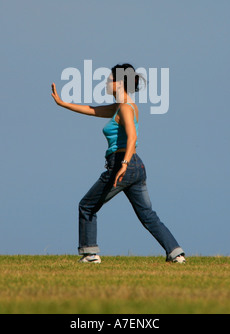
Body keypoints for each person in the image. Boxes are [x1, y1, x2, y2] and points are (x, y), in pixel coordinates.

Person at [51, 63, 185, 264]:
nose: (106, 83)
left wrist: (123, 164)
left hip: (123, 164)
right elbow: (92, 109)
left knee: (87, 206)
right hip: (135, 167)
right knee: (147, 214)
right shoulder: (121, 107)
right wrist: (63, 103)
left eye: (110, 79)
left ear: (120, 83)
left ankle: (90, 254)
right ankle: (176, 253)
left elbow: (132, 137)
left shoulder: (125, 108)